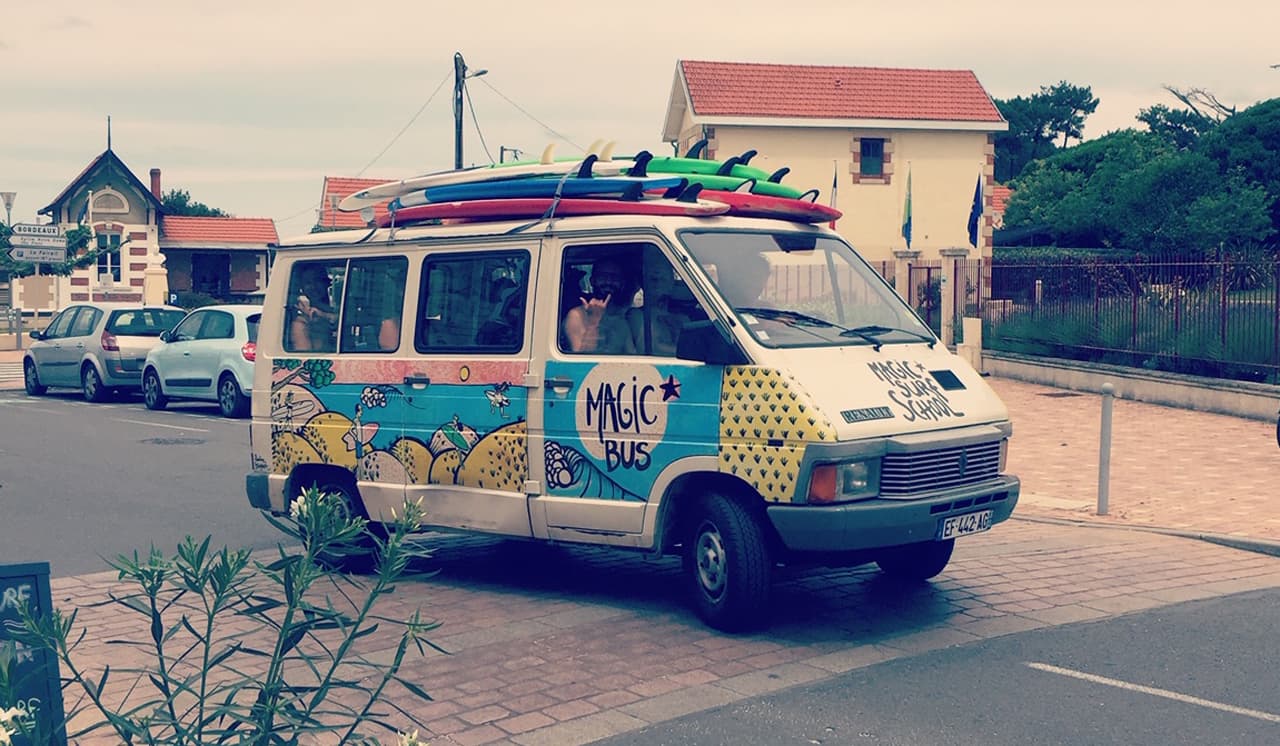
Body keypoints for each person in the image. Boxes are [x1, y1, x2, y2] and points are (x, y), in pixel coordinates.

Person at [627, 247, 703, 356]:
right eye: (653, 278)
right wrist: (694, 353)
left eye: (663, 276)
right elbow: (652, 349)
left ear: (672, 281)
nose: (658, 277)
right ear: (642, 282)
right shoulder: (636, 316)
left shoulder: (684, 319)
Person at [561, 256, 636, 354]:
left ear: (622, 283)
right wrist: (593, 323)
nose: (609, 281)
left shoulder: (621, 323)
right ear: (592, 281)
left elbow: (633, 357)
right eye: (603, 276)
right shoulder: (576, 316)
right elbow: (582, 363)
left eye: (614, 277)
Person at [289, 265, 338, 352]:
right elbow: (304, 358)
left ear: (326, 284)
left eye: (317, 281)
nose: (313, 287)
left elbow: (345, 321)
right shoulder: (300, 322)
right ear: (302, 288)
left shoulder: (328, 310)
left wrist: (323, 315)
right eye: (308, 283)